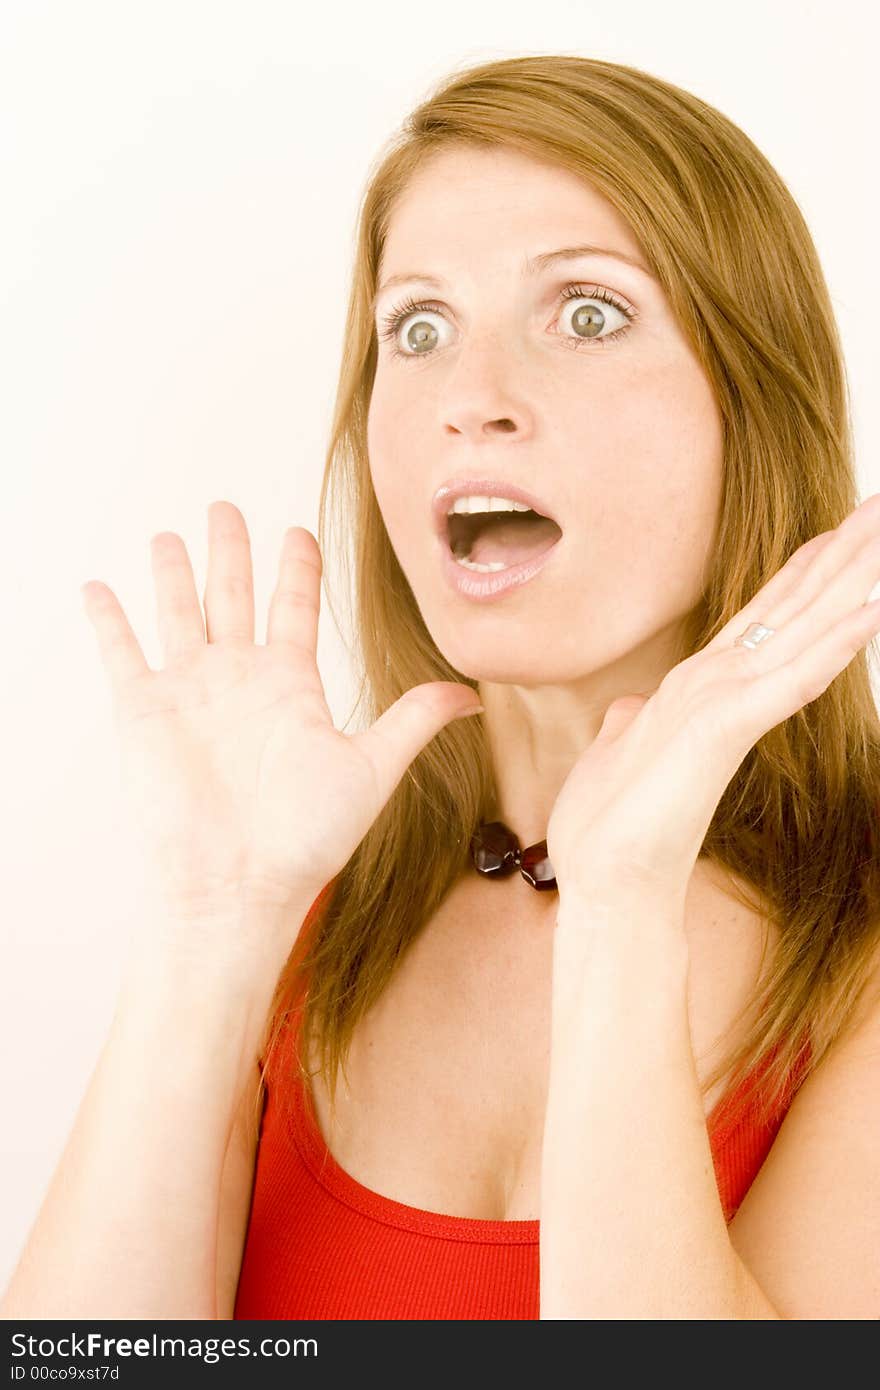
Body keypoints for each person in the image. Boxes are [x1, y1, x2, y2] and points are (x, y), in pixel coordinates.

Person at [3, 53, 879, 1322]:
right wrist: (215, 923)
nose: (470, 399)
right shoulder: (307, 907)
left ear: (754, 404)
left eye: (587, 312)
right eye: (417, 329)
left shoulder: (853, 954)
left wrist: (621, 909)